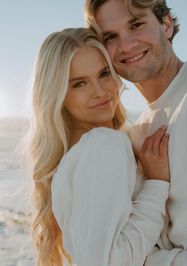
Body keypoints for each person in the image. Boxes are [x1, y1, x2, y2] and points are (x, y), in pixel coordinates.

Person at [84, 0, 187, 265]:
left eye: (136, 24)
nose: (127, 44)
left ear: (166, 24)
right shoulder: (135, 134)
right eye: (111, 36)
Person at [27, 27, 171, 266]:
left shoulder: (81, 150)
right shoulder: (103, 144)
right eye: (79, 83)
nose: (100, 91)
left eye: (104, 74)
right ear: (58, 95)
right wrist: (156, 186)